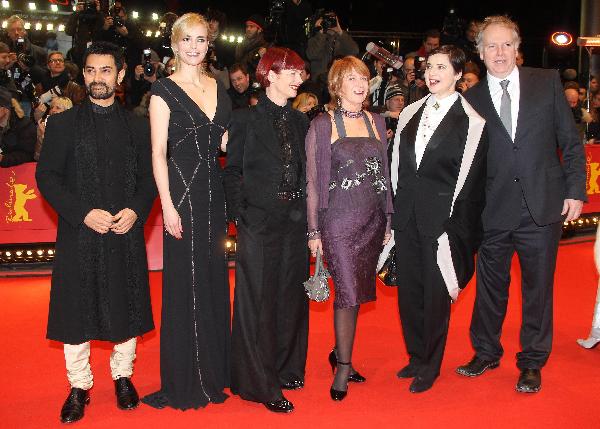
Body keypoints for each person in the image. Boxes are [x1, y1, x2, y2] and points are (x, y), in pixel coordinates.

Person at [456, 15, 586, 393]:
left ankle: (531, 361)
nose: (499, 52)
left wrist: (575, 189)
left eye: (505, 44)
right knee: (490, 289)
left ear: (517, 48)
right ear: (480, 54)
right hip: (493, 210)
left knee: (538, 290)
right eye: (491, 46)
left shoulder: (545, 83)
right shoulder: (471, 100)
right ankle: (485, 352)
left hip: (543, 207)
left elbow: (571, 143)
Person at [35, 41, 157, 424]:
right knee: (76, 309)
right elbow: (47, 177)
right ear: (83, 74)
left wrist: (136, 212)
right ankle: (78, 385)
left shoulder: (139, 126)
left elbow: (150, 179)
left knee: (126, 301)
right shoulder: (64, 123)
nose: (97, 78)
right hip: (79, 232)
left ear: (120, 75)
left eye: (106, 71)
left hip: (124, 230)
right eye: (91, 70)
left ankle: (123, 377)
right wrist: (82, 213)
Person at [383, 45, 487, 393]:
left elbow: (471, 182)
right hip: (407, 216)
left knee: (435, 296)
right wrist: (394, 214)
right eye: (429, 66)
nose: (432, 72)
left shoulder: (472, 122)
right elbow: (397, 166)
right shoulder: (410, 111)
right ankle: (415, 355)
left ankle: (431, 363)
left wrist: (452, 227)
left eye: (441, 67)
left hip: (441, 222)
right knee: (409, 292)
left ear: (458, 74)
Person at [141, 13, 232, 411]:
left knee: (213, 279)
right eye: (186, 40)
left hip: (214, 192)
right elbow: (158, 153)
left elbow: (225, 141)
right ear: (174, 45)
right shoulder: (163, 90)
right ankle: (186, 378)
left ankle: (213, 371)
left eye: (201, 40)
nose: (194, 46)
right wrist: (166, 204)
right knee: (187, 284)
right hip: (182, 192)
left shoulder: (217, 85)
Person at [224, 47, 309, 414]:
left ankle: (287, 367)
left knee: (290, 296)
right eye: (291, 72)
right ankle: (258, 382)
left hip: (295, 223)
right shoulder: (244, 120)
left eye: (301, 73)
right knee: (257, 300)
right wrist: (242, 215)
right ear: (269, 74)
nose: (299, 79)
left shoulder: (303, 122)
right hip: (259, 221)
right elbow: (231, 172)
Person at [306, 55, 393, 400]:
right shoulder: (322, 124)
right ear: (337, 86)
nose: (360, 85)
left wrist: (388, 218)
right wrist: (313, 232)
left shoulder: (378, 121)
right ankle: (343, 366)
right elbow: (313, 181)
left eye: (364, 78)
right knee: (346, 291)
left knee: (356, 291)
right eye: (352, 79)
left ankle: (340, 354)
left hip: (372, 220)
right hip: (338, 222)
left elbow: (384, 176)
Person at [0, 86, 36, 167]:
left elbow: (27, 155)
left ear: (5, 109)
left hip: (14, 171)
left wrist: (3, 159)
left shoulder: (25, 126)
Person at [34, 95, 73, 160]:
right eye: (51, 107)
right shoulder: (44, 126)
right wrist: (41, 137)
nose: (53, 110)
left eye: (58, 108)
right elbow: (37, 157)